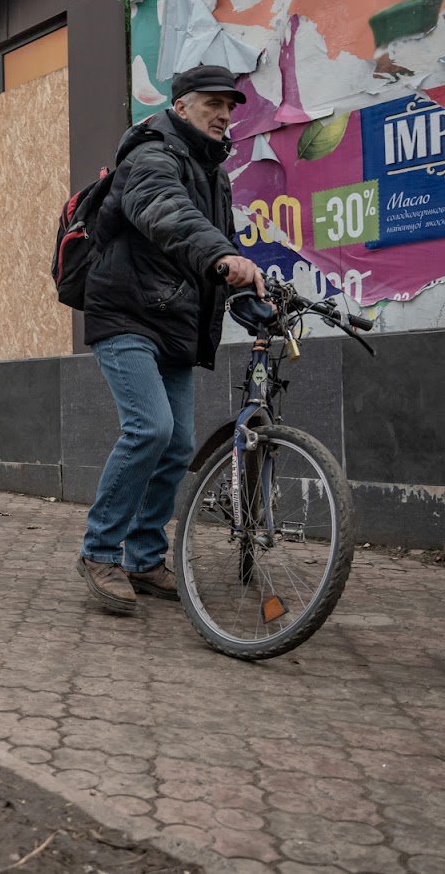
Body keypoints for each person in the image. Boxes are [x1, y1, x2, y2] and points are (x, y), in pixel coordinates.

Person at [74, 64, 266, 615]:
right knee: (149, 428)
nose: (224, 115)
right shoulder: (152, 154)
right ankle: (98, 551)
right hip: (127, 313)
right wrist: (221, 255)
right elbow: (166, 212)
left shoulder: (215, 174)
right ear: (181, 106)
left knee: (178, 443)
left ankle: (144, 557)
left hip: (174, 321)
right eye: (212, 104)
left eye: (230, 106)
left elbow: (214, 246)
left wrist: (250, 288)